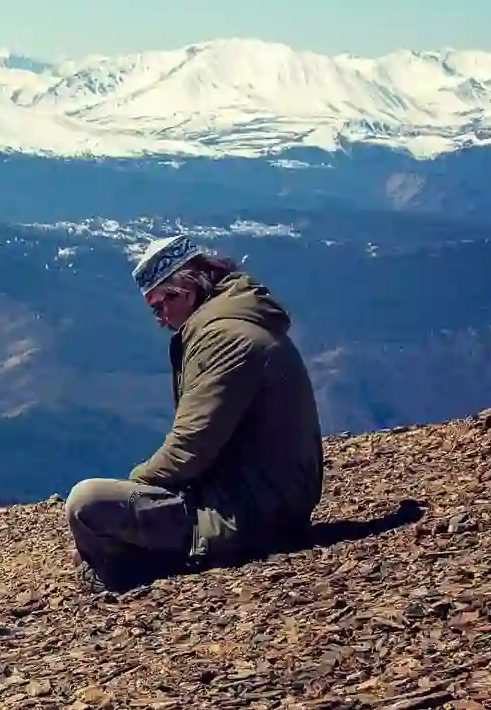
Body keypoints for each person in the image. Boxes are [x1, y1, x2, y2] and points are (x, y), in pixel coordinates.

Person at [65, 234, 325, 591]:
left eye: (158, 306)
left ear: (184, 291)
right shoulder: (237, 322)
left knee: (88, 503)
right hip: (265, 500)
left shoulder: (223, 338)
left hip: (248, 516)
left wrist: (134, 492)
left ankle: (126, 572)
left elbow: (190, 447)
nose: (159, 319)